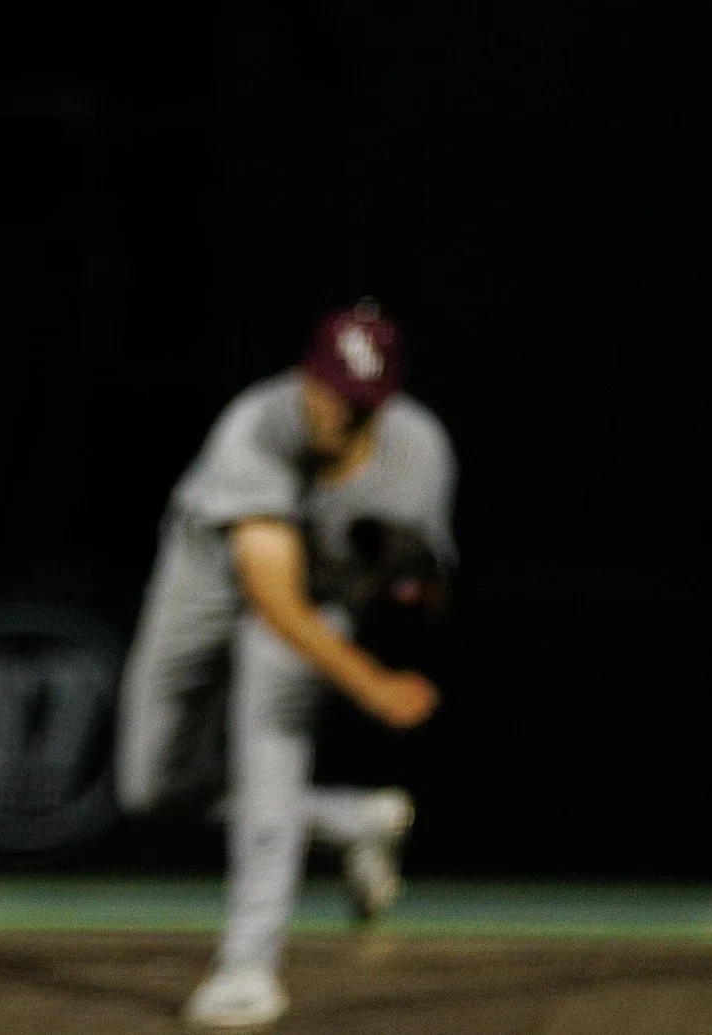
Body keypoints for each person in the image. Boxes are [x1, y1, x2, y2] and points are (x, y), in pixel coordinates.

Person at [113, 301, 455, 1030]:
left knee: (270, 738)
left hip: (317, 598)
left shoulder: (421, 452)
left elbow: (422, 584)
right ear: (306, 373)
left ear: (384, 402)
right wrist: (372, 683)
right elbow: (272, 596)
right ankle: (350, 822)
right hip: (208, 574)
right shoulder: (255, 428)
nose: (335, 409)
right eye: (327, 387)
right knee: (151, 785)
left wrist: (412, 588)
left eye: (356, 400)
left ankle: (248, 966)